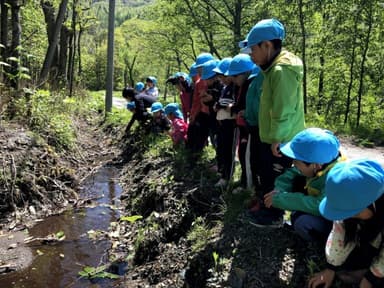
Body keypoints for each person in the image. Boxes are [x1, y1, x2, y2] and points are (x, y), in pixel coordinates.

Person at [240, 18, 305, 221]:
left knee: (275, 177)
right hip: (272, 136)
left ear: (267, 45)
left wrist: (277, 138)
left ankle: (273, 215)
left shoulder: (281, 71)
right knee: (266, 173)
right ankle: (265, 204)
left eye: (253, 50)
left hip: (280, 139)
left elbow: (283, 109)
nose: (251, 56)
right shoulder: (272, 69)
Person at [250, 128, 342, 237]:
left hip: (334, 220)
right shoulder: (323, 162)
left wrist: (284, 199)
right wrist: (279, 190)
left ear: (316, 165)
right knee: (297, 182)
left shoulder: (337, 177)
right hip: (322, 210)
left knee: (302, 223)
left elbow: (321, 206)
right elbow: (291, 174)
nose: (294, 163)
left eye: (297, 162)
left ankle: (328, 244)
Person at [308, 159, 384, 288]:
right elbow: (338, 235)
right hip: (371, 235)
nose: (346, 216)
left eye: (353, 212)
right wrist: (331, 268)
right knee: (346, 274)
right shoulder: (346, 208)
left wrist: (371, 278)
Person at [224, 54, 256, 191]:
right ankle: (245, 181)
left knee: (248, 156)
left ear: (245, 73)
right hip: (242, 125)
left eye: (235, 76)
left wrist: (236, 109)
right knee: (242, 154)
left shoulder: (251, 84)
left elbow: (245, 105)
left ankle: (249, 186)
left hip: (249, 127)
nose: (233, 79)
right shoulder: (240, 85)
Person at [212, 57, 237, 188]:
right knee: (220, 147)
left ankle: (227, 176)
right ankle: (222, 171)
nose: (220, 79)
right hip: (222, 123)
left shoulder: (233, 88)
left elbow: (229, 104)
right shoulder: (225, 87)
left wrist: (220, 105)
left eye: (222, 76)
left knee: (228, 150)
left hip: (229, 124)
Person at [187, 53, 215, 157]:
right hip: (205, 113)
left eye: (200, 68)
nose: (198, 70)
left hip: (213, 113)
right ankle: (197, 154)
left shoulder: (215, 80)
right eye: (198, 68)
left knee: (214, 136)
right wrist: (193, 115)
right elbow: (196, 101)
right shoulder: (199, 82)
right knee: (203, 134)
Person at [244, 65, 263, 191]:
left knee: (259, 162)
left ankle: (258, 192)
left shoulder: (261, 85)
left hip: (260, 128)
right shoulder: (253, 85)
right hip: (253, 126)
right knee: (253, 159)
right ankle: (255, 191)